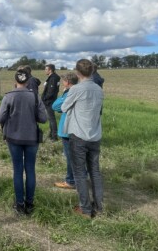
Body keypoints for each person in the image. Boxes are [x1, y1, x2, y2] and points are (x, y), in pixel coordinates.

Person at [0, 69, 47, 215]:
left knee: (18, 170)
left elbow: (0, 118)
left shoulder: (8, 97)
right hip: (32, 138)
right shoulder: (35, 97)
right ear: (27, 81)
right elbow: (43, 119)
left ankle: (19, 204)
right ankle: (30, 204)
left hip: (13, 138)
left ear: (15, 81)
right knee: (30, 169)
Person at [61, 59, 104, 219]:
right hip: (95, 135)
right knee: (95, 172)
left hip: (78, 135)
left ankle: (85, 209)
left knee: (79, 173)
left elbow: (64, 107)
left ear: (77, 72)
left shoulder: (76, 89)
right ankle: (99, 207)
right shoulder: (99, 90)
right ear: (92, 71)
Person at [52, 72, 79, 190]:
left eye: (64, 81)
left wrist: (63, 94)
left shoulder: (69, 93)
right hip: (78, 128)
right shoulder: (81, 91)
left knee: (70, 157)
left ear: (67, 82)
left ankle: (70, 180)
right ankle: (81, 177)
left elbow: (55, 106)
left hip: (68, 130)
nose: (63, 82)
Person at [41, 64, 61, 141]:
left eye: (46, 69)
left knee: (52, 118)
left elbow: (51, 92)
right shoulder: (53, 77)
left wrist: (44, 99)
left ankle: (54, 136)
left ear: (50, 70)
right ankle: (51, 134)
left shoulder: (53, 78)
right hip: (50, 100)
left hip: (49, 101)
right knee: (50, 118)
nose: (45, 71)